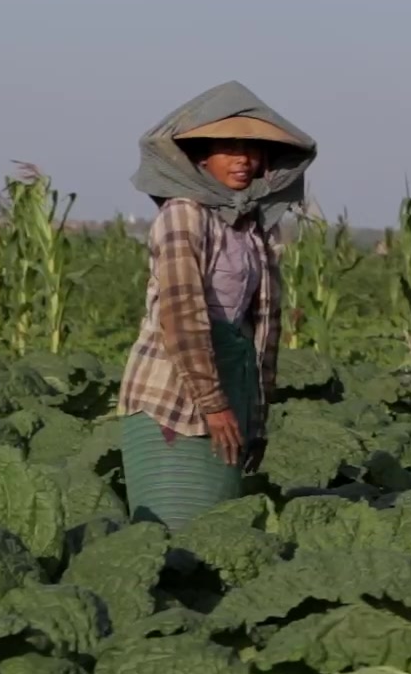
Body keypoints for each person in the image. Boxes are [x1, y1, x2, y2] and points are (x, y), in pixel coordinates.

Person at [117, 81, 318, 530]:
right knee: (173, 537)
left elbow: (263, 330)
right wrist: (213, 405)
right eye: (229, 149)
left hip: (233, 392)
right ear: (202, 158)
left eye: (251, 150)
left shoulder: (254, 227)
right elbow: (181, 315)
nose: (243, 160)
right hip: (171, 396)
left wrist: (255, 416)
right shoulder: (183, 214)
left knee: (214, 537)